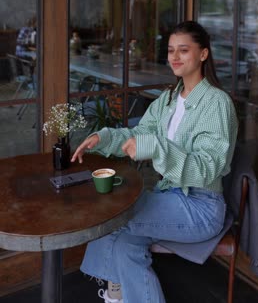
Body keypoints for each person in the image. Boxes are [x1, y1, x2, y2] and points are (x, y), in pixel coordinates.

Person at [71, 20, 238, 303]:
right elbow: (140, 134)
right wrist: (105, 138)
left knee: (114, 217)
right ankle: (120, 295)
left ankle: (115, 292)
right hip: (170, 197)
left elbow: (207, 168)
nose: (174, 57)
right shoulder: (169, 99)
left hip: (200, 207)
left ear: (203, 54)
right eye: (171, 50)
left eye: (183, 50)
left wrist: (154, 147)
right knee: (124, 244)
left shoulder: (217, 104)